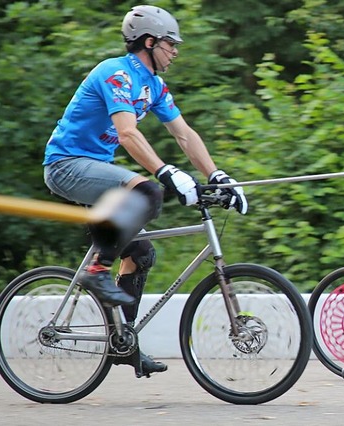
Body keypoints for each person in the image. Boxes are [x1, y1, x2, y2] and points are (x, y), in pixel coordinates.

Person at [43, 5, 247, 377]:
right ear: (149, 42)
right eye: (171, 44)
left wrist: (217, 175)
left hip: (95, 170)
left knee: (141, 252)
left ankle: (123, 344)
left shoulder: (153, 85)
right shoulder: (117, 73)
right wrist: (167, 172)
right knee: (149, 192)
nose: (176, 51)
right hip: (66, 165)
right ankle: (96, 269)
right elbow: (127, 134)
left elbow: (184, 134)